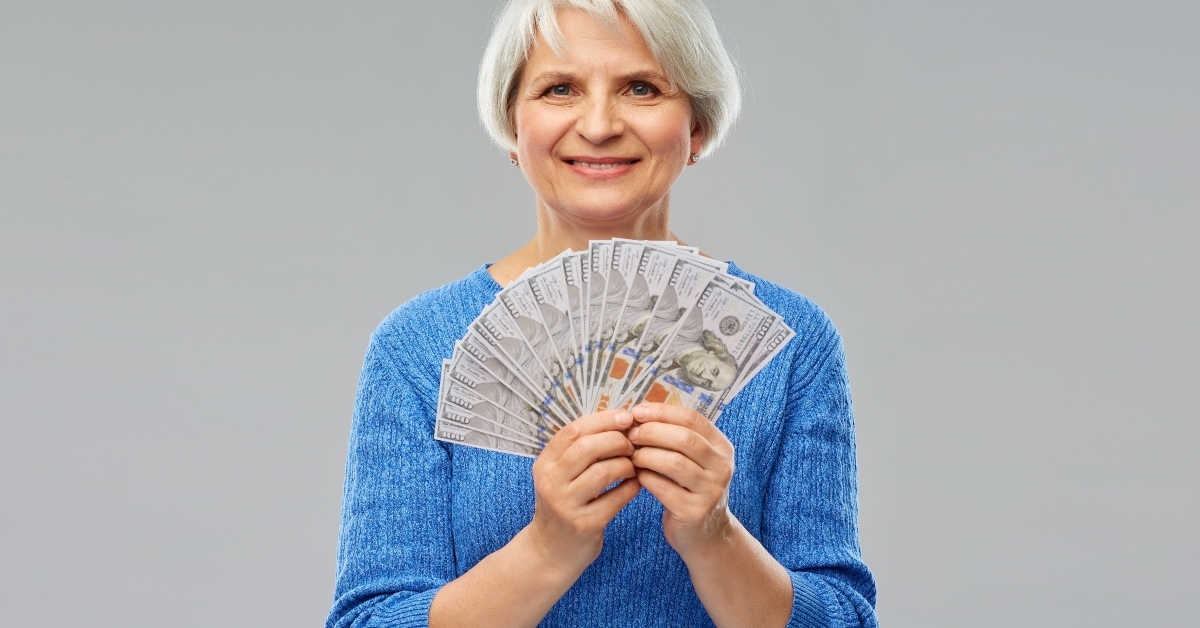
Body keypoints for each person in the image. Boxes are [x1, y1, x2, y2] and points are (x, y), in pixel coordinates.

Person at [327, 1, 878, 626]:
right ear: (513, 125)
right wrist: (546, 549)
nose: (598, 124)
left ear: (695, 127)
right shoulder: (418, 346)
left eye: (641, 88)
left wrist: (714, 537)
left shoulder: (792, 344)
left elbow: (844, 619)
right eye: (559, 89)